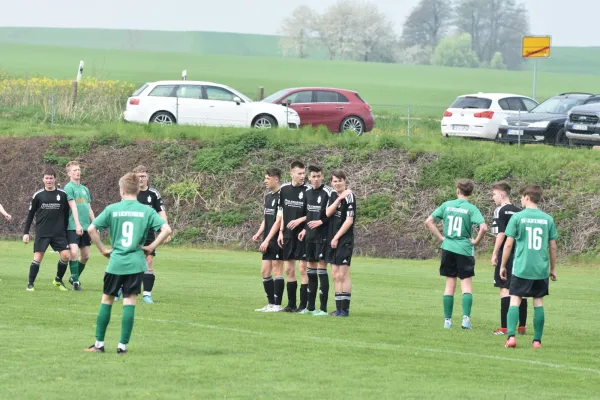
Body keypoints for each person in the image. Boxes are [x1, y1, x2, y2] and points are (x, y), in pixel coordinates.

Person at [85, 172, 172, 354]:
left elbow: (92, 229)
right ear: (137, 191)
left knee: (107, 299)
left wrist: (102, 250)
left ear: (122, 190)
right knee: (129, 301)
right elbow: (166, 229)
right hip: (136, 263)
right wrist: (151, 246)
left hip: (116, 262)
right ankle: (122, 346)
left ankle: (99, 344)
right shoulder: (146, 211)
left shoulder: (112, 209)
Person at [424, 179, 487, 330]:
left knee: (449, 284)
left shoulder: (447, 205)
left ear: (458, 190)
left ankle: (447, 321)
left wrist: (440, 237)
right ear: (470, 193)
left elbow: (429, 221)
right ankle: (465, 320)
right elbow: (483, 227)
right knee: (466, 284)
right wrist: (476, 241)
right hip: (464, 249)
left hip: (448, 247)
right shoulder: (471, 209)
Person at [501, 184, 558, 349]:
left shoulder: (518, 217)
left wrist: (503, 265)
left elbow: (508, 244)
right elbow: (553, 246)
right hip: (540, 269)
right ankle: (537, 341)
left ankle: (511, 337)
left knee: (514, 300)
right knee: (538, 302)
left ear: (526, 197)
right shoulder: (548, 219)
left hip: (521, 267)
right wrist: (552, 269)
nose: (520, 200)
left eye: (521, 197)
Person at [23, 168, 76, 291]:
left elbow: (66, 215)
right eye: (46, 178)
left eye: (51, 178)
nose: (49, 180)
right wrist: (26, 232)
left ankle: (58, 280)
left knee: (65, 255)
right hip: (43, 232)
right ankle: (30, 284)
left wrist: (65, 231)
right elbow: (30, 215)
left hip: (59, 232)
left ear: (55, 179)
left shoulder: (62, 195)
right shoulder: (38, 195)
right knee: (38, 257)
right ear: (43, 179)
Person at [125, 165, 170, 304]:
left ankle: (147, 294)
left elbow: (161, 212)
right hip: (132, 231)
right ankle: (121, 288)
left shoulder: (153, 194)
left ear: (147, 177)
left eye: (143, 176)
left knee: (148, 261)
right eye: (138, 176)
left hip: (148, 232)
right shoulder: (131, 192)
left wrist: (165, 229)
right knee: (128, 261)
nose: (141, 178)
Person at [490, 181, 527, 335]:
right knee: (521, 289)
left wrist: (494, 253)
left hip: (507, 252)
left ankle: (504, 327)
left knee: (504, 288)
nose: (493, 198)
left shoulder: (500, 210)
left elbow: (501, 234)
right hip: (520, 253)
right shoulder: (520, 211)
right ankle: (522, 327)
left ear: (502, 194)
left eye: (494, 194)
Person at [298, 165, 333, 316]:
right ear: (309, 178)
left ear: (322, 177)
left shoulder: (328, 192)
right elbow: (308, 214)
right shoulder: (307, 192)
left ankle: (323, 309)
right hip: (310, 237)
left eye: (319, 176)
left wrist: (321, 222)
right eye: (313, 176)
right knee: (310, 271)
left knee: (321, 270)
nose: (316, 179)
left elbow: (331, 213)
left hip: (322, 237)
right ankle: (310, 307)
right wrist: (305, 229)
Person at [276, 161, 310, 312]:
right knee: (289, 270)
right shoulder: (284, 189)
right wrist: (281, 231)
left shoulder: (309, 190)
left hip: (304, 236)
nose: (303, 176)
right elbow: (282, 211)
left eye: (304, 173)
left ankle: (304, 305)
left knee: (303, 269)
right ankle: (291, 305)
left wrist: (299, 221)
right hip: (288, 236)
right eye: (300, 173)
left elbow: (314, 213)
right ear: (291, 173)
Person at [252, 168, 284, 312]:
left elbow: (278, 221)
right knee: (265, 272)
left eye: (267, 178)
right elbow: (267, 219)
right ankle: (271, 303)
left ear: (275, 179)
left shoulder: (282, 197)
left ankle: (277, 305)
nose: (265, 181)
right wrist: (259, 234)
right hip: (267, 239)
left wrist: (268, 239)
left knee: (277, 270)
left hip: (277, 239)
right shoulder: (268, 197)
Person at [324, 170, 355, 317]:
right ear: (331, 183)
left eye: (340, 180)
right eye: (335, 181)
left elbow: (349, 221)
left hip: (344, 241)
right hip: (332, 240)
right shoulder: (332, 195)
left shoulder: (350, 197)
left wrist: (336, 237)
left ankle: (345, 309)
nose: (337, 183)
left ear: (345, 181)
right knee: (335, 275)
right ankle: (338, 308)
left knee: (343, 274)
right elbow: (327, 213)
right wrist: (338, 199)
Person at [64, 161, 96, 291]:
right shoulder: (68, 188)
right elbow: (73, 207)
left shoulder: (85, 189)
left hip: (86, 226)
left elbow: (89, 208)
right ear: (69, 173)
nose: (78, 172)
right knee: (74, 252)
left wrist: (95, 223)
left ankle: (73, 277)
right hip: (72, 226)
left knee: (86, 256)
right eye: (74, 170)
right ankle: (76, 282)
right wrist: (77, 224)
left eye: (78, 169)